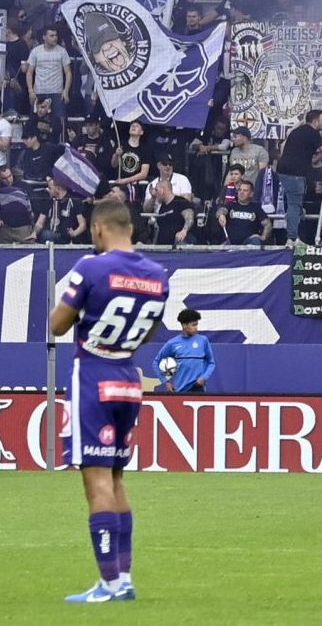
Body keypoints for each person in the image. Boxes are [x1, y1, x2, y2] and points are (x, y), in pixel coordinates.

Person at [49, 196, 171, 603]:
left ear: (98, 228)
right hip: (129, 379)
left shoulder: (91, 267)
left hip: (93, 374)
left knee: (96, 480)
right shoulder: (158, 276)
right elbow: (149, 330)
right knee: (116, 478)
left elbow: (57, 324)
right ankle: (124, 579)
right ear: (130, 228)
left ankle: (108, 583)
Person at [277, 106, 322, 245]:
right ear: (315, 121)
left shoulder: (299, 131)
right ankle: (292, 238)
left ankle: (295, 235)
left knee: (296, 205)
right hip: (294, 173)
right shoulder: (311, 132)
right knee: (294, 204)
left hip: (288, 171)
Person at [153, 308, 216, 395]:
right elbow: (156, 363)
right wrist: (165, 382)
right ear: (184, 325)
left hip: (198, 388)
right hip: (179, 389)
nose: (196, 328)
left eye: (197, 324)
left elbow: (211, 363)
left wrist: (204, 377)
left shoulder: (203, 340)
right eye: (193, 325)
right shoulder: (172, 343)